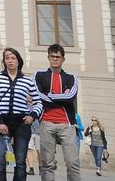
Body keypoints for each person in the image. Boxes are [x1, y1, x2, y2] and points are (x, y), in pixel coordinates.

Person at [0, 46, 42, 181]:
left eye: (13, 58)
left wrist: (32, 116)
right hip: (3, 121)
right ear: (4, 61)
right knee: (0, 158)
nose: (10, 61)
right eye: (7, 58)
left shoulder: (28, 81)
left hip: (21, 122)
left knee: (20, 161)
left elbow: (39, 103)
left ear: (19, 61)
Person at [34, 43, 80, 181]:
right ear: (48, 57)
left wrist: (49, 95)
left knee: (73, 163)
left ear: (63, 59)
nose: (55, 59)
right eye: (52, 56)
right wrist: (61, 96)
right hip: (46, 123)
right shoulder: (39, 75)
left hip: (67, 124)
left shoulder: (71, 78)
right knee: (47, 163)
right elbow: (37, 95)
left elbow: (71, 96)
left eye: (58, 57)